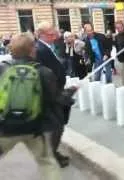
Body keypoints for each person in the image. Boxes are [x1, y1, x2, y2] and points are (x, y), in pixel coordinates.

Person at [0, 33, 64, 180]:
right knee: (47, 163)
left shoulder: (3, 70)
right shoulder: (44, 72)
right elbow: (56, 99)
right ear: (32, 50)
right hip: (34, 127)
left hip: (5, 128)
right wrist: (70, 92)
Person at [35, 21, 70, 168]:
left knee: (58, 124)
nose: (54, 34)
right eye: (50, 33)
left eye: (54, 31)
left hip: (55, 91)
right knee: (57, 125)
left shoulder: (47, 47)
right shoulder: (40, 49)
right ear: (42, 34)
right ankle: (51, 155)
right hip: (51, 94)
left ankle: (53, 152)